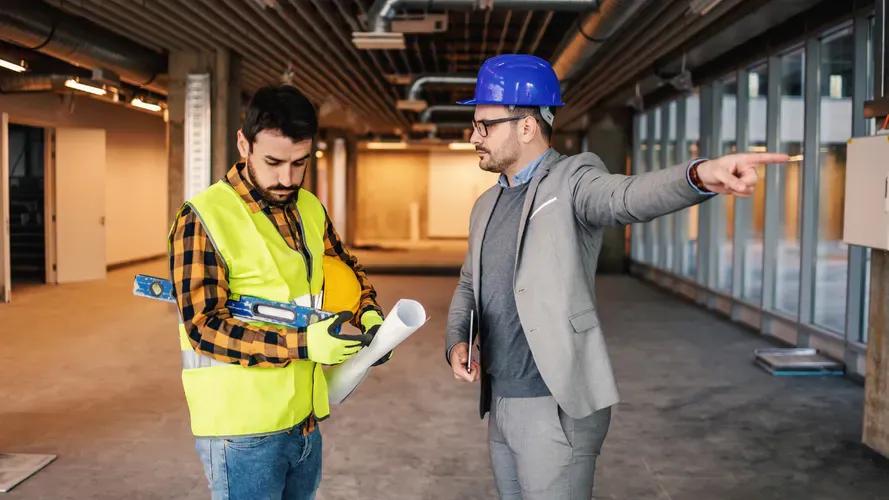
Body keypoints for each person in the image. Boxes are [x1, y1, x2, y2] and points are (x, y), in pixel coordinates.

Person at [444, 54, 788, 500]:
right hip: (500, 401)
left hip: (554, 405)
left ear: (526, 127)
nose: (474, 137)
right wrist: (456, 339)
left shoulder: (572, 181)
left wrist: (698, 176)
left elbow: (626, 197)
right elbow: (469, 284)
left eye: (484, 125)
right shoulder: (486, 206)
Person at [167, 84, 391, 500]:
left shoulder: (309, 207)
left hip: (304, 419)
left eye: (299, 163)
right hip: (242, 432)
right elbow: (203, 326)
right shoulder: (203, 218)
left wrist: (370, 315)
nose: (287, 178)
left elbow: (346, 268)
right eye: (273, 162)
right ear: (243, 144)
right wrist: (305, 343)